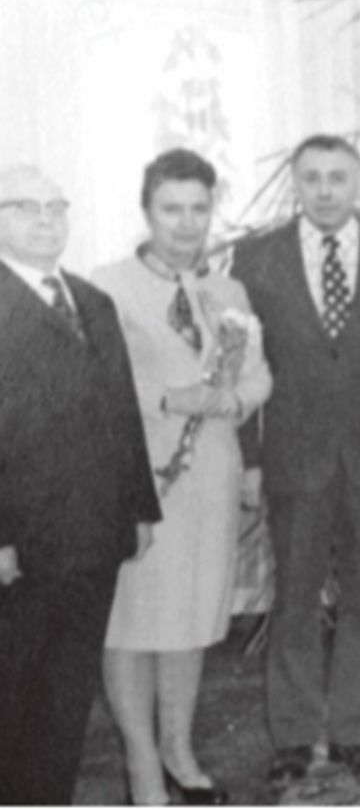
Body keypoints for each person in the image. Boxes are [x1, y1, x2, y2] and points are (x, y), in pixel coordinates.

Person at [90, 150, 272, 805]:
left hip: (209, 476)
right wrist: (169, 397)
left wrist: (235, 399)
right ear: (147, 210)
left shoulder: (227, 292)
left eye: (199, 208)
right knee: (132, 622)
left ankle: (179, 748)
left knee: (191, 617)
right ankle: (142, 764)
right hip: (138, 476)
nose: (187, 222)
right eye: (172, 208)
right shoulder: (107, 286)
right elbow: (94, 378)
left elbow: (258, 374)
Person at [231, 135, 360, 782]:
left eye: (339, 177)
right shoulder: (256, 258)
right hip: (294, 457)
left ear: (359, 183)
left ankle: (353, 734)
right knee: (294, 602)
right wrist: (250, 459)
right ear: (296, 184)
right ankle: (292, 737)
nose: (326, 190)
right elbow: (240, 367)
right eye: (312, 178)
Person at [0, 165, 162, 804]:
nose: (45, 220)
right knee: (12, 693)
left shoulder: (92, 302)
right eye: (25, 207)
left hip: (94, 535)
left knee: (66, 696)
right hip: (21, 545)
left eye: (55, 207)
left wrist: (139, 508)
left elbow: (122, 410)